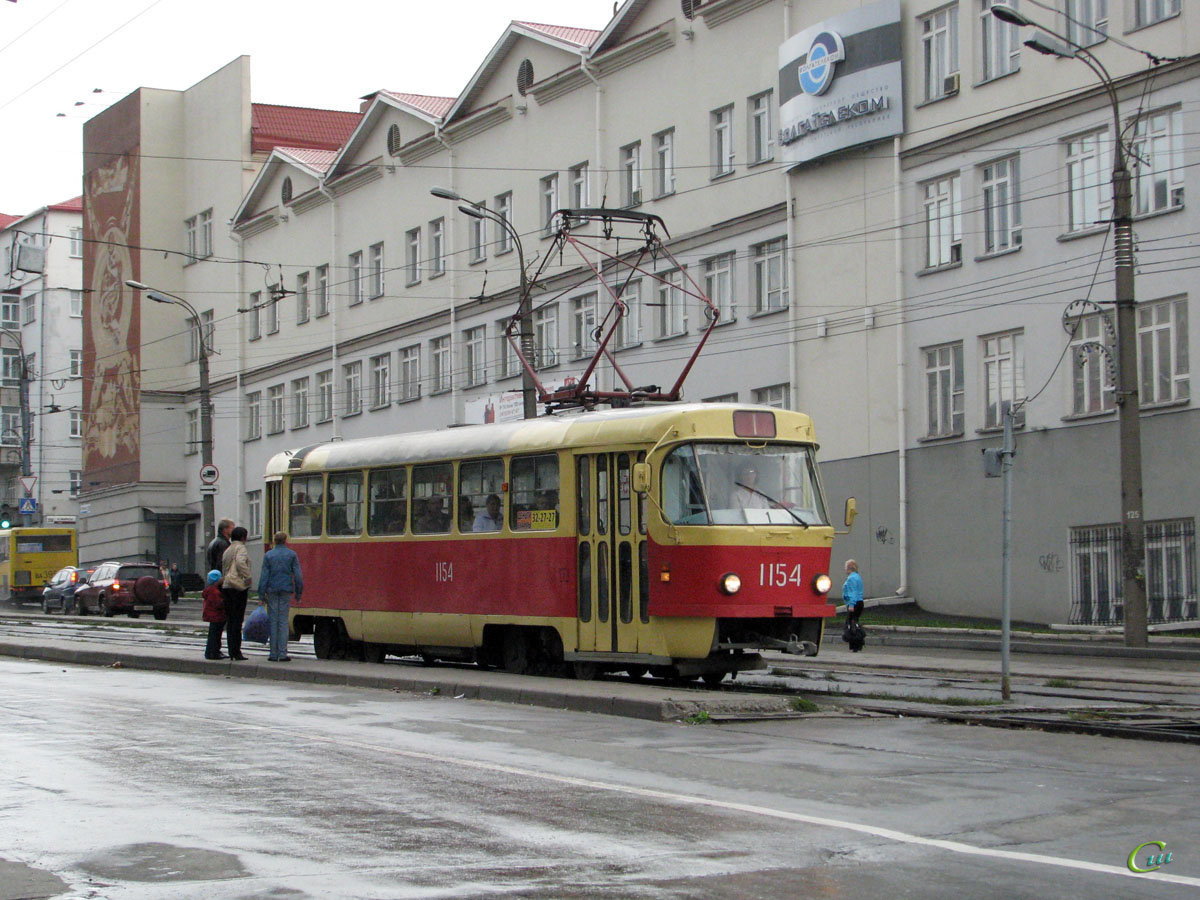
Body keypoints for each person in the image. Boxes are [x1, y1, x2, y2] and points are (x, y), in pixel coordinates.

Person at [258, 531, 303, 662]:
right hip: (286, 590)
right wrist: (298, 593)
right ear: (286, 540)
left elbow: (264, 576)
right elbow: (298, 576)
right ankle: (282, 654)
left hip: (272, 590)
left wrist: (261, 595)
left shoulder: (268, 555)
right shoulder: (292, 555)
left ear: (274, 541)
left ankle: (273, 654)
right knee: (283, 621)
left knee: (273, 621)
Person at [221, 526, 252, 661]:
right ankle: (236, 651)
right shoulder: (241, 548)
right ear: (243, 537)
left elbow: (224, 567)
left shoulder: (228, 550)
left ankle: (231, 650)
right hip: (237, 587)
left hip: (227, 586)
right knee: (238, 620)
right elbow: (240, 562)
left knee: (230, 620)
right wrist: (247, 577)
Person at [201, 569, 226, 660]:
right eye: (221, 577)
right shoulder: (215, 592)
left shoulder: (210, 590)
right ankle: (214, 652)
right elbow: (218, 604)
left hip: (212, 616)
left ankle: (209, 652)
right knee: (215, 636)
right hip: (217, 616)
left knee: (212, 635)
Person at [842, 559, 865, 652]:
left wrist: (851, 605)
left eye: (845, 567)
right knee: (854, 623)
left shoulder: (851, 578)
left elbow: (853, 592)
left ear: (849, 568)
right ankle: (857, 645)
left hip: (854, 603)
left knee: (850, 624)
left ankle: (856, 645)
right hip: (859, 602)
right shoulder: (857, 577)